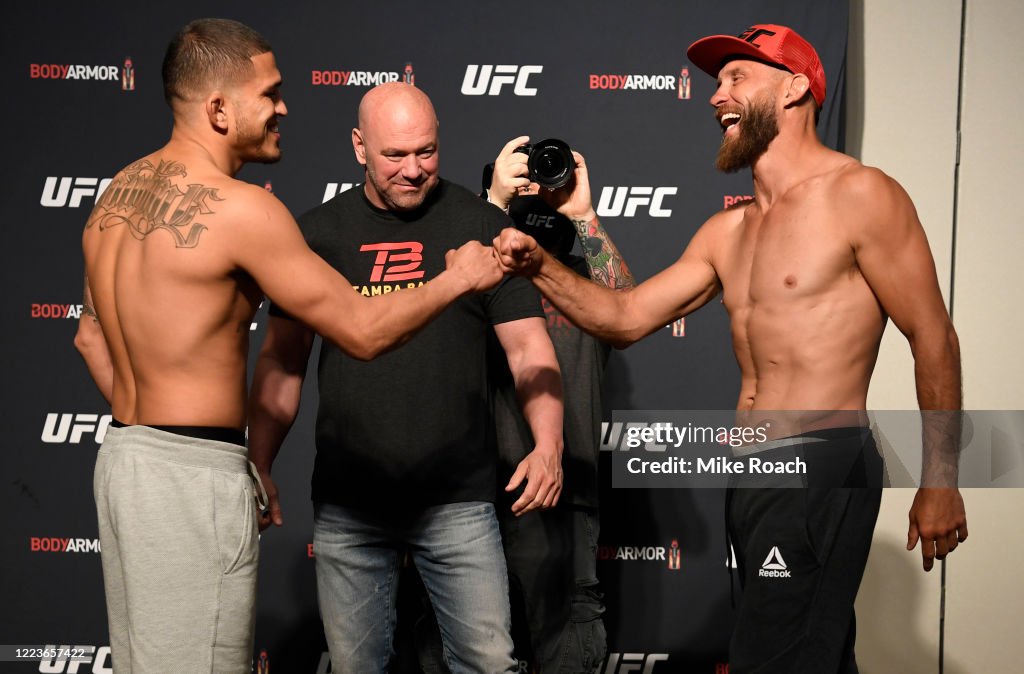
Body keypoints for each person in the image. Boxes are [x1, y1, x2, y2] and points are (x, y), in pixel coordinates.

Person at [494, 23, 968, 673]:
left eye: (739, 76)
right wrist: (541, 264)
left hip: (821, 464)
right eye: (718, 80)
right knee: (814, 652)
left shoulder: (861, 196)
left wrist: (941, 479)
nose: (717, 94)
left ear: (796, 88)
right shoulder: (729, 231)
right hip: (755, 471)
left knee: (770, 657)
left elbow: (934, 335)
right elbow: (627, 317)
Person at [74, 19, 503, 674]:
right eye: (269, 94)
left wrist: (157, 434)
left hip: (126, 459)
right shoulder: (244, 210)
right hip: (191, 475)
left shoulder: (115, 197)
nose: (283, 108)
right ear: (219, 108)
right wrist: (460, 278)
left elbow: (88, 335)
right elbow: (361, 331)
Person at [247, 82, 564, 674]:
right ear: (360, 146)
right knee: (356, 667)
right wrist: (260, 463)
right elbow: (282, 362)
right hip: (351, 500)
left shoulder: (484, 225)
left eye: (427, 151)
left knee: (490, 664)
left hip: (457, 498)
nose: (414, 170)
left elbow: (529, 348)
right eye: (395, 155)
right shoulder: (317, 234)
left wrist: (549, 445)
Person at [484, 140, 636, 672]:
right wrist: (494, 208)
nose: (534, 200)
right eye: (519, 190)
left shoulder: (581, 280)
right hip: (475, 499)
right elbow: (443, 301)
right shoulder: (477, 266)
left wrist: (583, 212)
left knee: (569, 643)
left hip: (566, 494)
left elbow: (626, 311)